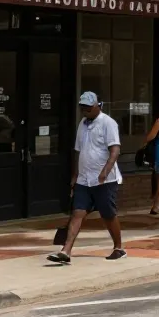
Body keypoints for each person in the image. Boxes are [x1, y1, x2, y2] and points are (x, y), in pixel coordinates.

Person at [48, 92, 125, 264]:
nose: (85, 111)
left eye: (89, 108)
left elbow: (115, 150)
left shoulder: (108, 123)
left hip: (104, 179)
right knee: (77, 213)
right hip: (84, 178)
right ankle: (66, 251)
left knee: (108, 214)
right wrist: (75, 175)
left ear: (98, 106)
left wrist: (106, 170)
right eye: (83, 108)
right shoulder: (82, 124)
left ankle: (118, 247)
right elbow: (78, 151)